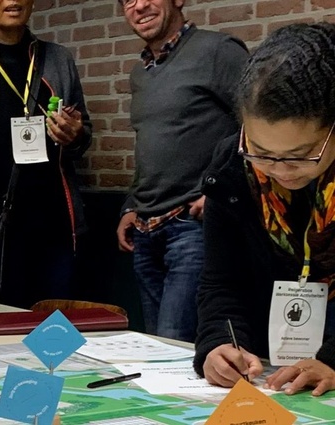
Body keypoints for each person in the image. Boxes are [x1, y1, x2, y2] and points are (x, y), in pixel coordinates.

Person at [197, 22, 335, 397]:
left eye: (300, 155)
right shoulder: (231, 167)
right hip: (273, 364)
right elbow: (222, 279)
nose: (279, 170)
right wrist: (219, 343)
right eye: (260, 151)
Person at [0, 0, 92, 309]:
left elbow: (83, 133)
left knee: (52, 332)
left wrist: (75, 134)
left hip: (54, 227)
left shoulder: (59, 59)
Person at [115, 0, 247, 343]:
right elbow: (151, 145)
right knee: (156, 345)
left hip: (193, 227)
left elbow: (257, 125)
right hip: (145, 232)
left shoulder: (219, 51)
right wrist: (130, 205)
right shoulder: (140, 73)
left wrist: (221, 188)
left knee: (176, 342)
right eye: (128, 0)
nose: (139, 6)